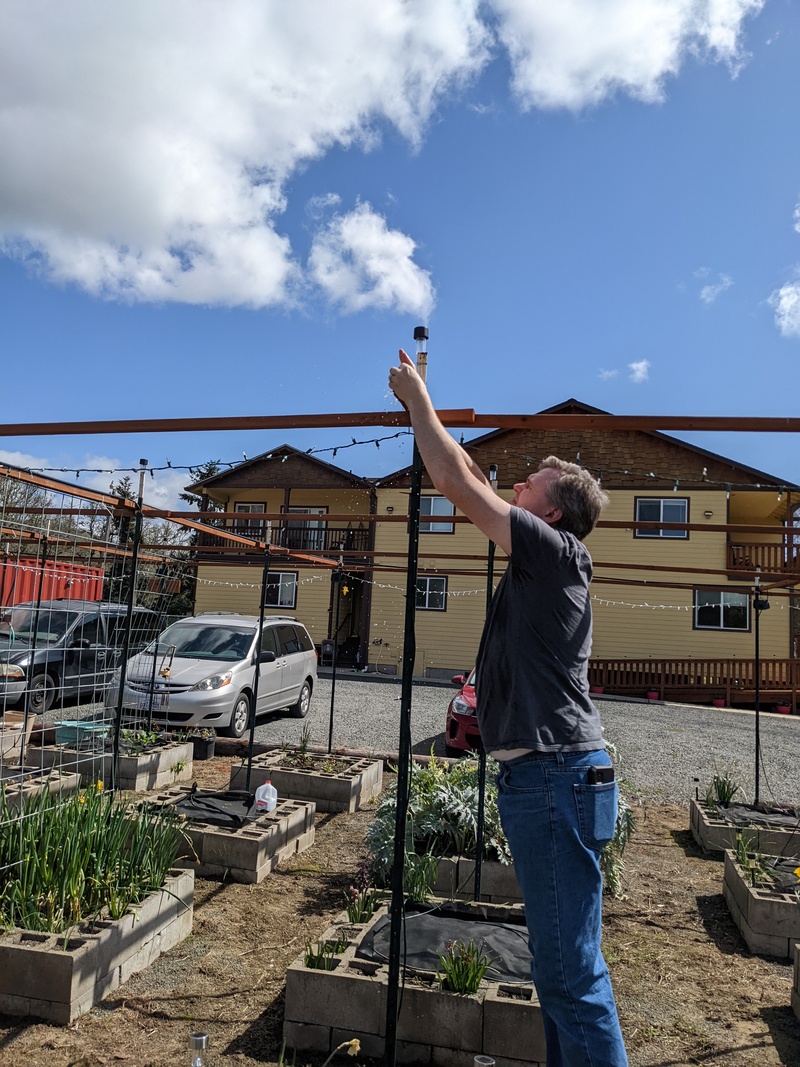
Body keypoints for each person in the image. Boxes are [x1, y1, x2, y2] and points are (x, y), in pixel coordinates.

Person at [388, 349, 628, 1067]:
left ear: (551, 511)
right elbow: (463, 469)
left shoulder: (556, 553)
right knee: (559, 974)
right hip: (546, 782)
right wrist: (429, 412)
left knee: (571, 975)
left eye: (530, 482)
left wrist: (416, 402)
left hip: (555, 781)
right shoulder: (540, 560)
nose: (516, 483)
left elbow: (456, 482)